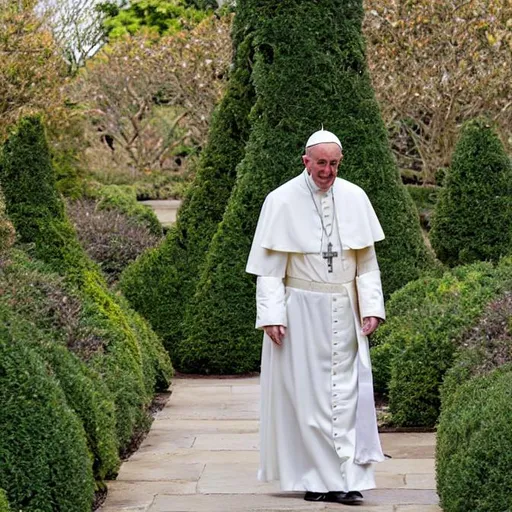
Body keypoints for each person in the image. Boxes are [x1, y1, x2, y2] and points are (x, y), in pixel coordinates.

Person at [245, 129, 386, 505]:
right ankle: (318, 479)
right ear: (306, 160)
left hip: (345, 306)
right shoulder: (281, 201)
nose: (327, 171)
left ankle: (349, 477)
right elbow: (270, 270)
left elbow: (367, 264)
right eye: (321, 163)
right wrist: (272, 315)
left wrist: (371, 307)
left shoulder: (355, 197)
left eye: (334, 164)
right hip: (302, 310)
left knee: (350, 396)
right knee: (309, 399)